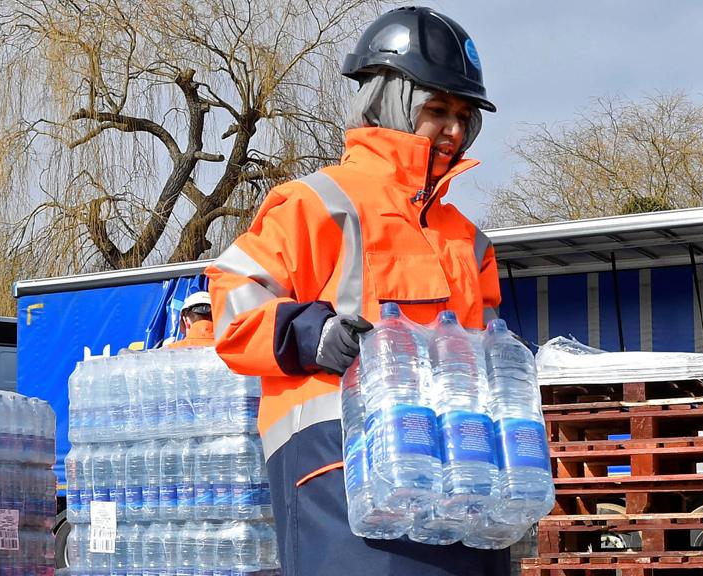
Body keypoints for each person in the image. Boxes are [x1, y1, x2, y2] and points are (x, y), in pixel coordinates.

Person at [206, 6, 505, 576]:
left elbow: (487, 340)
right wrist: (311, 334)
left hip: (457, 473)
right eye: (436, 110)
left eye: (464, 115)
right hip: (339, 467)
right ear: (389, 103)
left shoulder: (469, 239)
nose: (453, 130)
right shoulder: (319, 201)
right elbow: (233, 298)